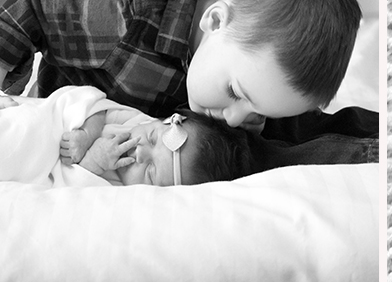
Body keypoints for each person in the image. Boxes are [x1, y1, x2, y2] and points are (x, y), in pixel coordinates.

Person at [0, 0, 377, 166]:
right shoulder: (125, 19)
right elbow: (29, 10)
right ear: (214, 20)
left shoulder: (251, 76)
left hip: (166, 147)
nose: (232, 118)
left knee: (290, 135)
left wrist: (257, 114)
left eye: (255, 112)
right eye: (234, 93)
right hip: (77, 136)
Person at [0, 85, 253, 187]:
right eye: (153, 138)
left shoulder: (121, 190)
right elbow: (94, 101)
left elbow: (69, 192)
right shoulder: (135, 122)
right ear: (160, 122)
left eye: (151, 171)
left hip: (36, 170)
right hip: (46, 124)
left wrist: (93, 164)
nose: (141, 152)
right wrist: (88, 134)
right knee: (26, 127)